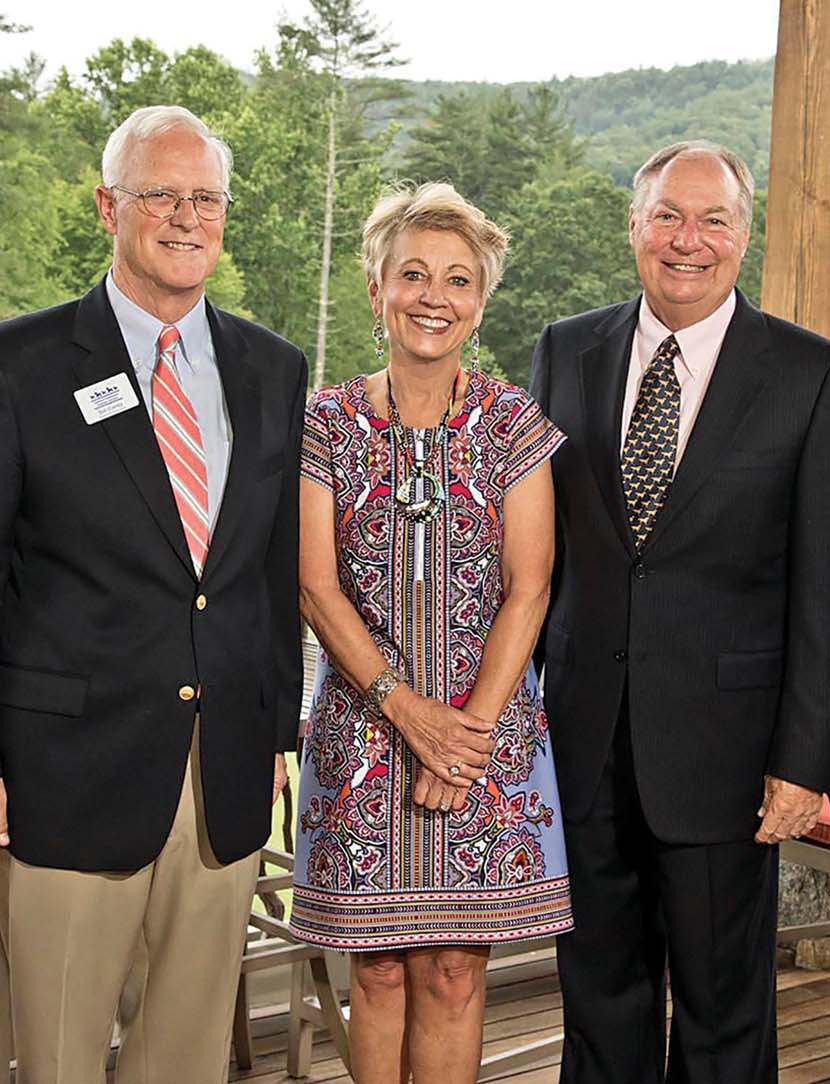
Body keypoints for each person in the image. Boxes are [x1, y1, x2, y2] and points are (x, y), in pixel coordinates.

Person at [0, 104, 307, 1083]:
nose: (187, 217)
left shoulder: (273, 368)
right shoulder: (15, 365)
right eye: (161, 194)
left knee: (183, 1054)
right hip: (65, 769)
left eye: (206, 197)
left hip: (221, 767)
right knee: (58, 1051)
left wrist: (271, 731)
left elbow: (268, 567)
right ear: (108, 205)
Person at [529, 140, 830, 1084]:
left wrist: (804, 760)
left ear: (744, 235)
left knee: (723, 1010)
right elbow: (535, 547)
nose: (689, 240)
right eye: (668, 217)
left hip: (728, 753)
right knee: (598, 996)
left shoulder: (813, 374)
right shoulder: (566, 347)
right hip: (583, 738)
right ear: (633, 228)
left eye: (713, 220)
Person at [290, 181, 572, 1084]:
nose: (433, 297)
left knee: (453, 973)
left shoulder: (513, 424)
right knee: (374, 971)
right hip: (363, 734)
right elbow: (314, 584)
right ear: (376, 290)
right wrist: (404, 711)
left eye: (456, 279)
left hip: (485, 736)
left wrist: (467, 739)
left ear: (479, 301)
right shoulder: (327, 425)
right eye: (412, 274)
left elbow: (530, 590)